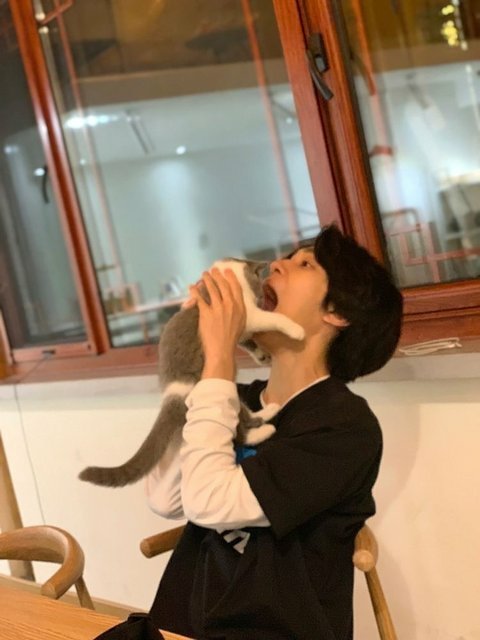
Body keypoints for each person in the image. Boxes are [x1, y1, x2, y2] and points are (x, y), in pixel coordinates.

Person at [146, 225, 403, 640]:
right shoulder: (235, 398)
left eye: (304, 264)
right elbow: (164, 497)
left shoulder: (344, 426)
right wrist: (200, 355)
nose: (278, 265)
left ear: (337, 312)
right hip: (183, 626)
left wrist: (219, 362)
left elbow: (208, 502)